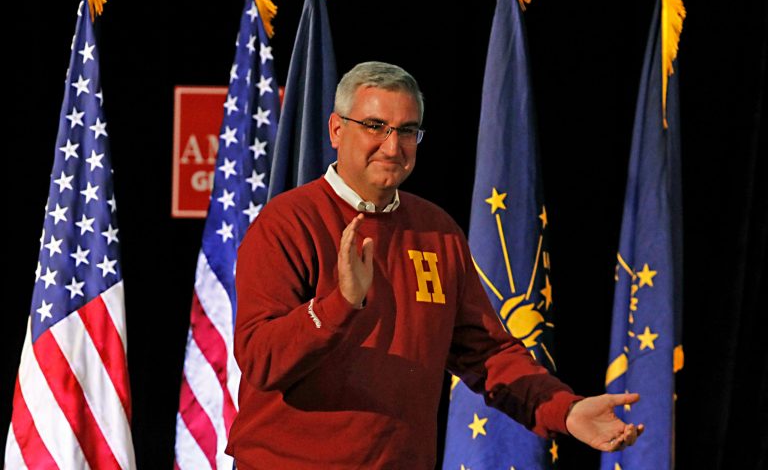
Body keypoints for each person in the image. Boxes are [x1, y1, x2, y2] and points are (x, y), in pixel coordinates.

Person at [226, 61, 643, 469]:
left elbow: (489, 354)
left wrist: (565, 411)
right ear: (337, 129)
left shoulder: (436, 232)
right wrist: (341, 304)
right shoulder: (287, 223)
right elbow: (260, 360)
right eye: (375, 126)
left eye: (407, 131)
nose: (392, 146)